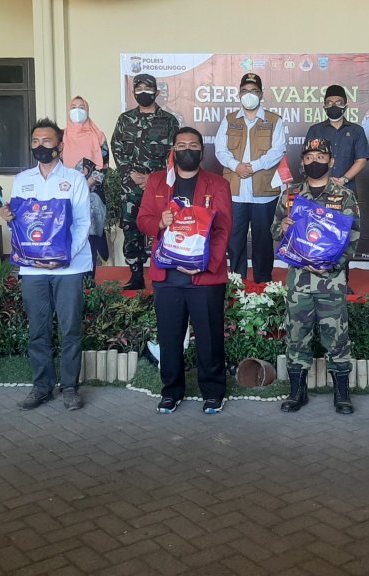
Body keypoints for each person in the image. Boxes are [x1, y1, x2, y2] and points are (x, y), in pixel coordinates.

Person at [137, 127, 232, 414]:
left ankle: (213, 392)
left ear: (202, 151)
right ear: (173, 150)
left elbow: (223, 230)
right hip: (167, 276)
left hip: (204, 276)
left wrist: (204, 266)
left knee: (209, 337)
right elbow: (143, 220)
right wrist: (160, 222)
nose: (186, 149)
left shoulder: (218, 184)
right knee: (169, 337)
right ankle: (171, 391)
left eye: (193, 145)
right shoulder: (157, 181)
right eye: (181, 145)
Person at [0, 118, 92, 411]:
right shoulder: (22, 180)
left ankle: (69, 387)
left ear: (60, 145)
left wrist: (62, 258)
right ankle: (42, 387)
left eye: (47, 141)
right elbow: (21, 225)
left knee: (70, 329)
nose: (40, 146)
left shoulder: (75, 180)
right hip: (32, 269)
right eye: (36, 141)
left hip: (69, 267)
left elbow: (83, 223)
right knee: (38, 330)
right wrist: (8, 217)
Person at [273, 138, 361, 414]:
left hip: (330, 280)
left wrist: (332, 265)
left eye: (320, 157)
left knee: (336, 337)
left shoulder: (344, 196)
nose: (314, 162)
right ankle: (297, 392)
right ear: (302, 162)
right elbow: (274, 230)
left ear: (331, 161)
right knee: (296, 336)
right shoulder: (290, 195)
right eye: (309, 157)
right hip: (299, 281)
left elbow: (353, 236)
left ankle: (342, 394)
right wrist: (283, 227)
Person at [214, 73, 288, 284]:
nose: (249, 95)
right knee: (234, 238)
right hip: (235, 191)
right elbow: (220, 150)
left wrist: (253, 166)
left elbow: (278, 150)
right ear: (239, 94)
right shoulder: (229, 120)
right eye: (245, 91)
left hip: (264, 192)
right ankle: (237, 281)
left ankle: (263, 282)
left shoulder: (274, 120)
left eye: (254, 91)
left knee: (263, 239)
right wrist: (236, 166)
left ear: (261, 94)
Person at [111, 74, 180, 290]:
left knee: (164, 225)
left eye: (147, 88)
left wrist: (153, 178)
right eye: (139, 88)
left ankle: (166, 271)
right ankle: (136, 274)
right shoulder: (125, 120)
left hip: (159, 186)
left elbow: (174, 153)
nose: (143, 92)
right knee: (131, 228)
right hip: (131, 185)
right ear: (133, 92)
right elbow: (117, 148)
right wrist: (130, 173)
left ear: (156, 92)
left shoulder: (169, 121)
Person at [304, 84, 369, 293]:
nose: (334, 105)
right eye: (330, 102)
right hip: (318, 192)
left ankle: (342, 282)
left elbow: (361, 159)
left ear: (345, 105)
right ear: (324, 106)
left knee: (342, 237)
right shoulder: (315, 130)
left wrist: (342, 179)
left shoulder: (356, 130)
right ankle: (314, 280)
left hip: (345, 193)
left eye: (338, 102)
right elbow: (307, 159)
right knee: (316, 234)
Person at [63, 96, 110, 270]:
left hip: (93, 192)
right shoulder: (62, 137)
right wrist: (73, 187)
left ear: (88, 110)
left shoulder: (98, 136)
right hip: (66, 192)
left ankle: (90, 277)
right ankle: (71, 274)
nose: (77, 110)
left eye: (81, 107)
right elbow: (57, 167)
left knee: (91, 236)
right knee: (68, 232)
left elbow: (104, 165)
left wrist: (87, 183)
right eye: (73, 107)